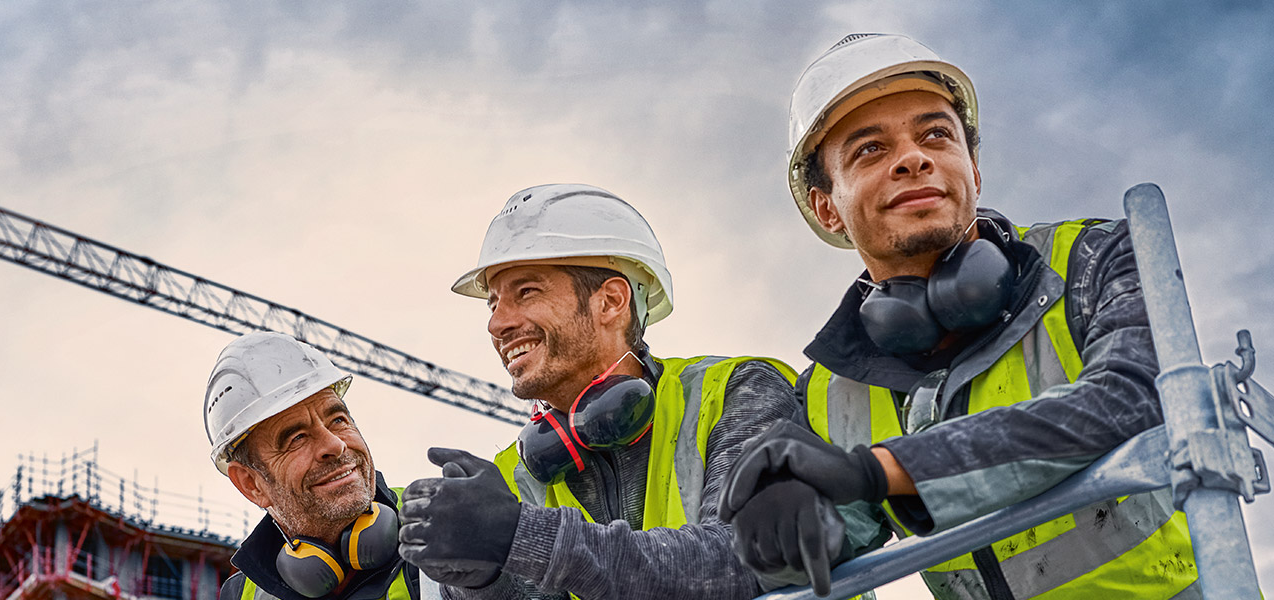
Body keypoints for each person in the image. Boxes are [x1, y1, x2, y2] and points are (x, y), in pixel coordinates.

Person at [720, 33, 1200, 598]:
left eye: (935, 135)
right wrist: (786, 523)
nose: (913, 158)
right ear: (828, 208)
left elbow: (1135, 397)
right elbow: (826, 547)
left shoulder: (1092, 258)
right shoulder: (830, 393)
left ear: (972, 166)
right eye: (870, 149)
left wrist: (882, 470)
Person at [395, 184, 801, 600]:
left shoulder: (735, 392)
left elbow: (750, 559)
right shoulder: (514, 475)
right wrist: (481, 582)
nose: (497, 324)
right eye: (493, 303)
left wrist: (525, 535)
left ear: (610, 301)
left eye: (526, 292)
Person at [206, 332, 429, 600]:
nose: (335, 444)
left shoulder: (439, 528)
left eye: (338, 420)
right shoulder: (240, 595)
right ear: (252, 484)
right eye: (297, 438)